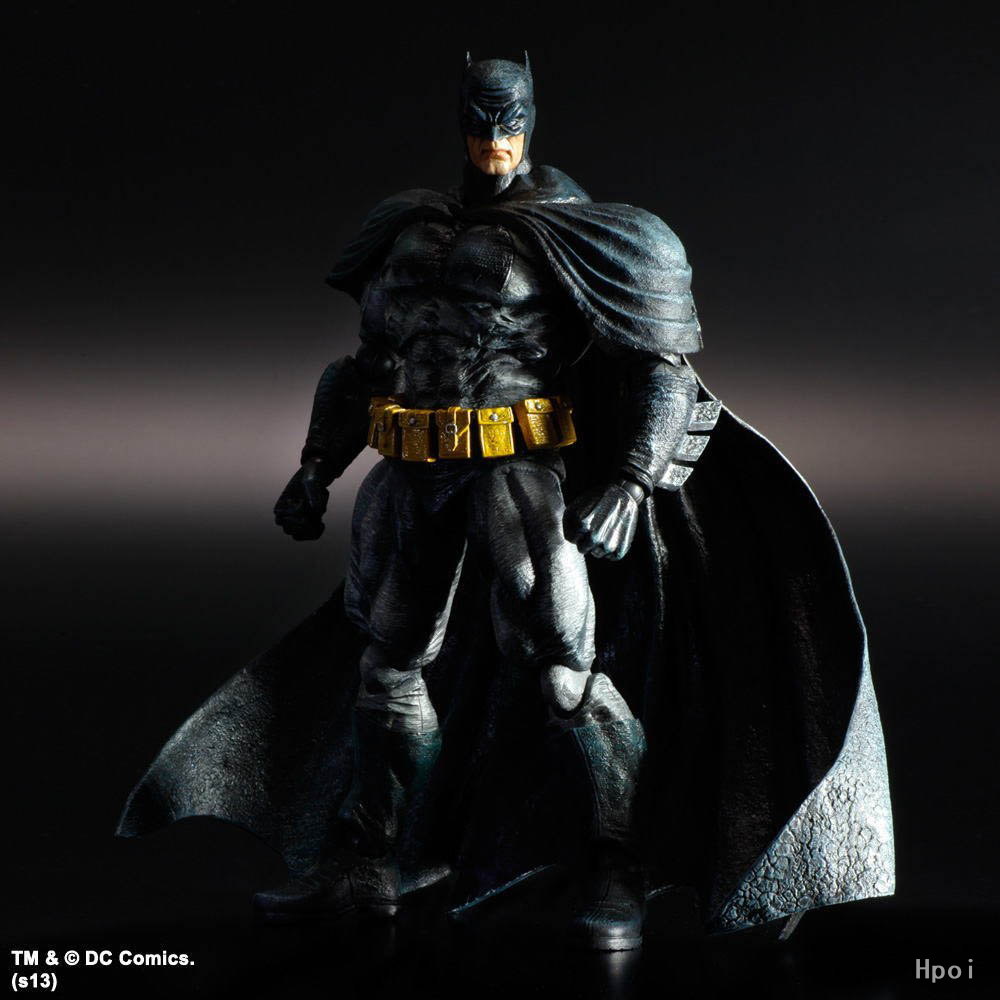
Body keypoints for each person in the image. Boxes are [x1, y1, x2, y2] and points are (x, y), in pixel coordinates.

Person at [119, 54, 893, 952]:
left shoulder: (578, 233)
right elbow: (365, 368)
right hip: (408, 473)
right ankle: (372, 859)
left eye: (509, 119)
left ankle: (616, 863)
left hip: (514, 474)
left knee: (562, 663)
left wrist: (630, 480)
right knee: (387, 666)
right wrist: (316, 466)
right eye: (481, 120)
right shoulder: (407, 231)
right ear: (460, 119)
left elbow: (659, 370)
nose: (495, 138)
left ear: (529, 116)